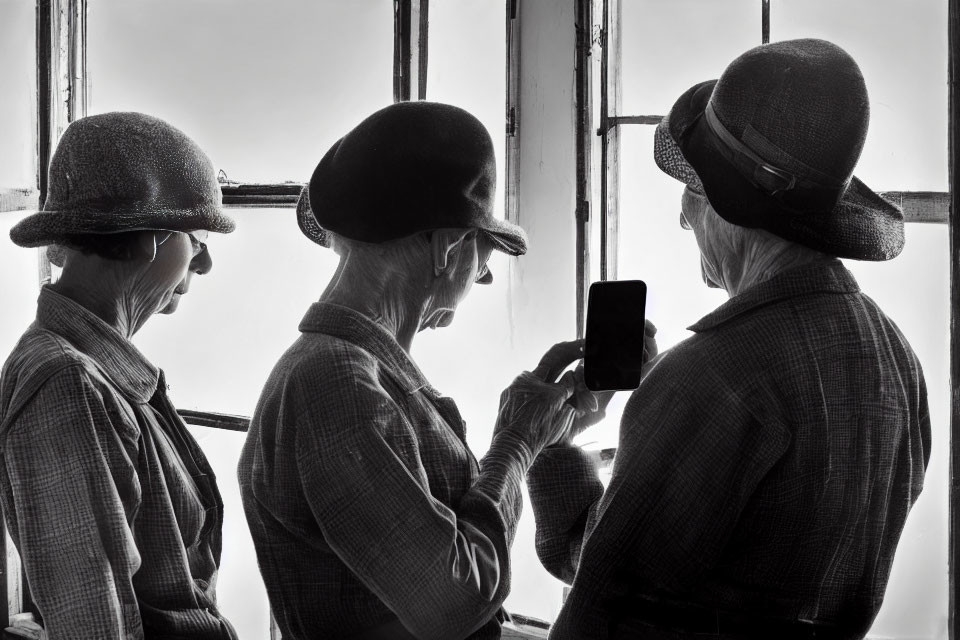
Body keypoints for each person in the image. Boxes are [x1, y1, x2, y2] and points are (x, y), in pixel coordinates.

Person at [528, 39, 930, 639]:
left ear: (725, 207)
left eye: (693, 192)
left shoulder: (711, 378)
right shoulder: (897, 359)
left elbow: (603, 607)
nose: (686, 219)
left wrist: (549, 440)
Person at [237, 101, 600, 640]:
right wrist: (516, 442)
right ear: (448, 247)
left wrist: (544, 436)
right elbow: (455, 601)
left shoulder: (349, 372)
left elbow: (429, 539)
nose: (483, 275)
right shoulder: (336, 382)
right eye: (484, 252)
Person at [0, 112, 239, 639]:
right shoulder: (69, 384)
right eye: (197, 238)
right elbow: (95, 620)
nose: (203, 266)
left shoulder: (95, 377)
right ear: (149, 238)